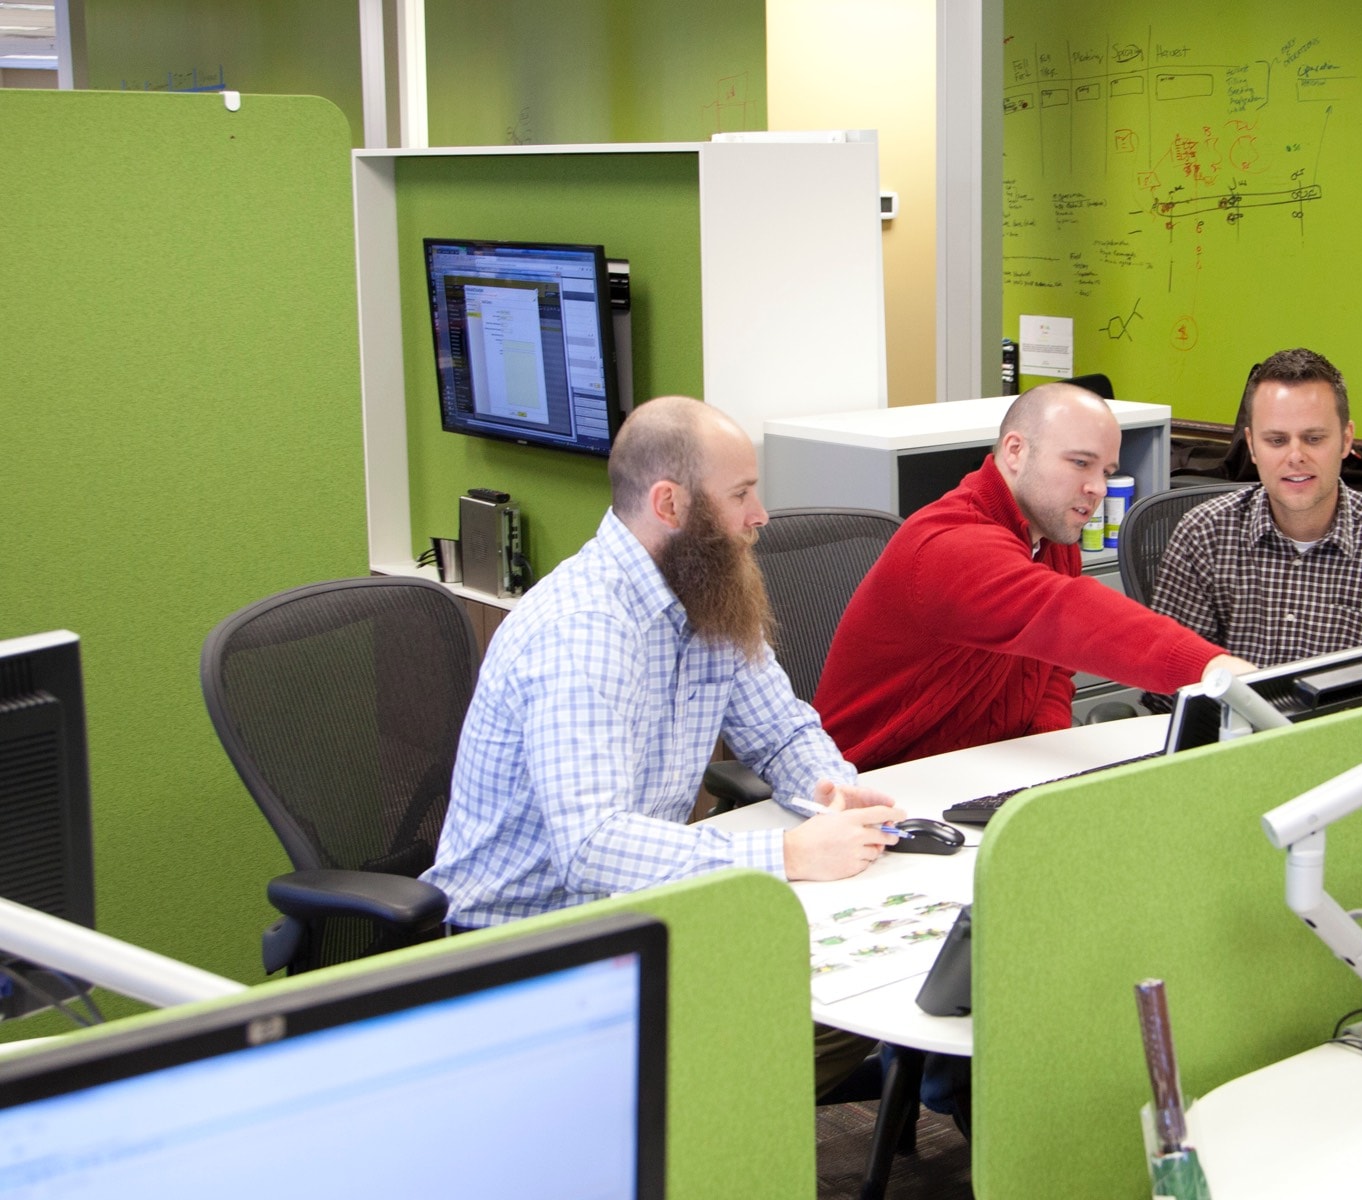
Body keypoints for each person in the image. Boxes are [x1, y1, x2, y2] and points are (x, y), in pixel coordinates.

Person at [422, 395, 904, 1095]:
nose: (760, 515)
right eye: (740, 494)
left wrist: (832, 791)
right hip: (525, 952)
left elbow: (783, 732)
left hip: (640, 917)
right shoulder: (582, 630)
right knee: (799, 1016)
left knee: (863, 984)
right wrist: (788, 854)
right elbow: (591, 847)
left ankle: (714, 1125)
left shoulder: (706, 592)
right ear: (670, 504)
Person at [813, 382, 1253, 773]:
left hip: (979, 770)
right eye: (1080, 463)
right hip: (873, 782)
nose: (1098, 488)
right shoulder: (951, 545)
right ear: (1015, 451)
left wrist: (1044, 752)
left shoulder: (1052, 536)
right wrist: (1211, 668)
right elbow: (1066, 613)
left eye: (1105, 472)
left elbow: (1052, 673)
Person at [1149, 348, 1362, 668]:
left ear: (1346, 440)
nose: (1295, 457)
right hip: (1231, 704)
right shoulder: (1203, 534)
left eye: (1314, 439)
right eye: (1276, 440)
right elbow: (1170, 677)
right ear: (1252, 445)